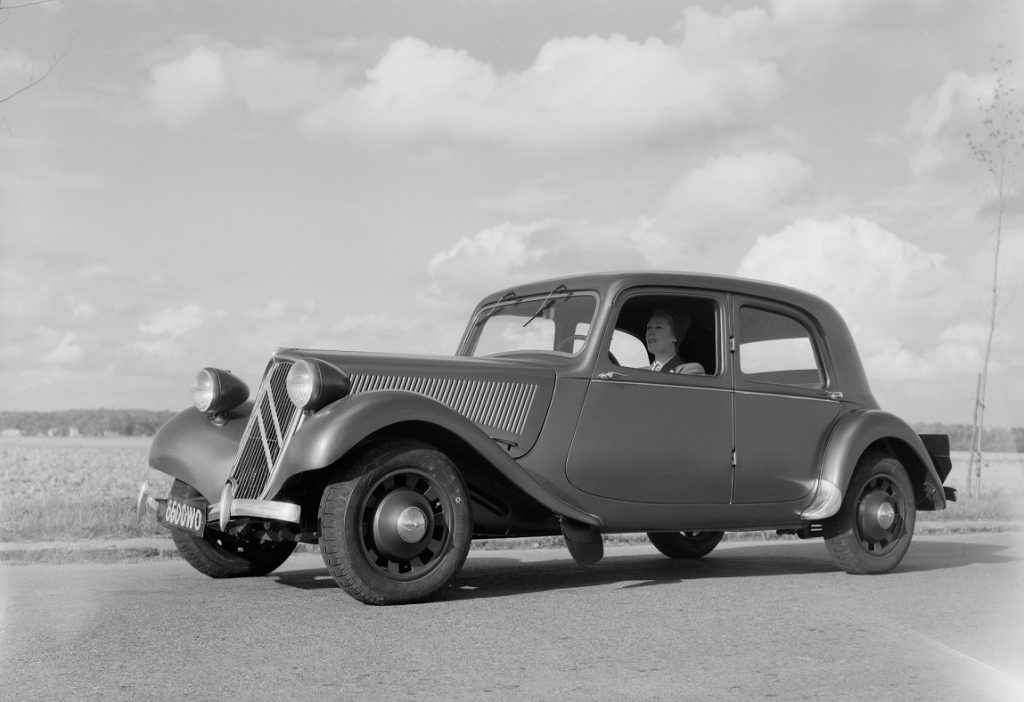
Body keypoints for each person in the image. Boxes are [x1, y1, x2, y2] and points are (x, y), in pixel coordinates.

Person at [646, 309, 704, 374]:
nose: (650, 332)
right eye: (648, 327)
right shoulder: (640, 372)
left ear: (675, 336)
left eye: (658, 327)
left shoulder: (691, 369)